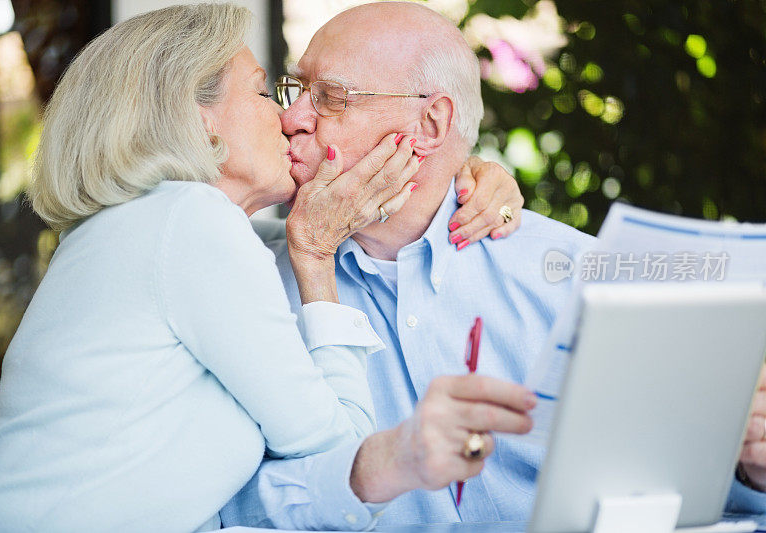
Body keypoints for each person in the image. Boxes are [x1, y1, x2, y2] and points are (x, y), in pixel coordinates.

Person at [0, 4, 520, 531]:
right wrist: (318, 258)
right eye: (263, 92)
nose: (289, 117)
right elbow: (343, 447)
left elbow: (324, 235)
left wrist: (457, 173)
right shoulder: (189, 221)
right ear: (197, 118)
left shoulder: (157, 227)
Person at [220, 2, 766, 530]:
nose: (291, 118)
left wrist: (748, 468)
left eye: (330, 97)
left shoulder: (573, 274)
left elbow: (675, 478)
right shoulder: (250, 288)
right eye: (296, 91)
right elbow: (225, 507)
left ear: (430, 125)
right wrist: (370, 473)